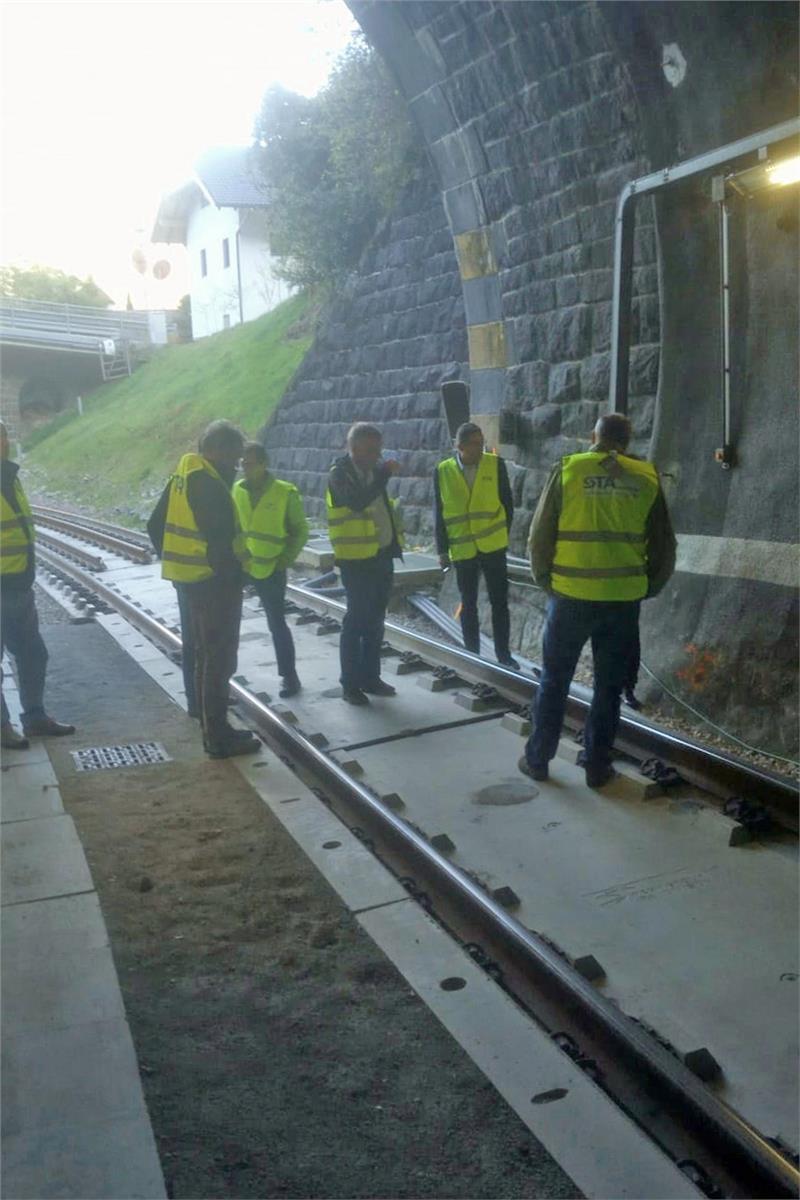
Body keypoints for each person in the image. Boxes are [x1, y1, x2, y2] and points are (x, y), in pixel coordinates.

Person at [521, 413, 676, 788]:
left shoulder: (569, 469)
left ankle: (538, 760)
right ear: (627, 440)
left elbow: (539, 536)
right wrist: (646, 587)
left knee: (555, 679)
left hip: (570, 596)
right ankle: (596, 767)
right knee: (608, 688)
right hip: (622, 601)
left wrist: (547, 581)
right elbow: (664, 545)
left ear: (595, 436)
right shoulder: (646, 477)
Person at [150, 420, 260, 758]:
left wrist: (179, 566)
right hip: (214, 585)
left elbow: (155, 525)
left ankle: (210, 725)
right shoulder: (209, 485)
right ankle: (218, 737)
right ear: (218, 451)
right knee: (219, 659)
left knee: (202, 654)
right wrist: (232, 577)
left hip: (190, 581)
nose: (237, 466)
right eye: (234, 458)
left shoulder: (184, 475)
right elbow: (221, 544)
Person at [0, 420, 75, 748]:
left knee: (34, 653)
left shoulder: (10, 477)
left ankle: (34, 717)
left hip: (19, 585)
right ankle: (2, 727)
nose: (3, 443)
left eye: (3, 436)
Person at [326, 422, 403, 705]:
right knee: (356, 621)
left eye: (378, 450)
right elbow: (357, 502)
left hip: (381, 555)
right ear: (354, 447)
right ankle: (350, 684)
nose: (377, 456)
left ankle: (371, 677)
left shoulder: (374, 471)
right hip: (355, 560)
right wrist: (383, 475)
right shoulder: (339, 474)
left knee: (376, 621)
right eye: (371, 450)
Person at [434, 422, 519, 669]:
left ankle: (504, 655)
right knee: (468, 603)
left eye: (481, 443)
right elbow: (439, 512)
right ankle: (472, 654)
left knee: (499, 602)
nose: (480, 448)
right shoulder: (443, 471)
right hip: (463, 548)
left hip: (493, 546)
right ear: (459, 446)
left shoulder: (495, 464)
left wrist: (502, 533)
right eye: (474, 444)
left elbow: (507, 504)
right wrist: (442, 550)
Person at [233, 442, 309, 699]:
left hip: (272, 567)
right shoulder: (237, 490)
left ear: (264, 464)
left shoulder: (284, 492)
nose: (245, 468)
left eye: (250, 464)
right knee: (229, 621)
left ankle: (289, 676)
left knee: (276, 623)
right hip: (242, 565)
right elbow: (235, 526)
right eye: (242, 464)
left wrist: (284, 559)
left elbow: (300, 531)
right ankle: (224, 673)